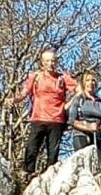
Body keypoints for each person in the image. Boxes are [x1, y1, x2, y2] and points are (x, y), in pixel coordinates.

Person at [15, 48, 78, 178]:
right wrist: (14, 100)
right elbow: (24, 93)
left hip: (57, 120)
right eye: (47, 61)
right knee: (32, 148)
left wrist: (68, 105)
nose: (51, 63)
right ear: (42, 62)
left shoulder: (62, 78)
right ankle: (27, 174)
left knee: (53, 152)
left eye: (53, 60)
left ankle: (50, 176)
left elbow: (79, 89)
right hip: (38, 118)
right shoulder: (35, 76)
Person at [66, 69, 101, 173]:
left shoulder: (100, 102)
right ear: (83, 83)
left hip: (97, 135)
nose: (91, 83)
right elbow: (72, 121)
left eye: (93, 80)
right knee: (84, 165)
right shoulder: (79, 100)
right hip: (81, 135)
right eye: (88, 80)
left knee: (100, 163)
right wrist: (87, 127)